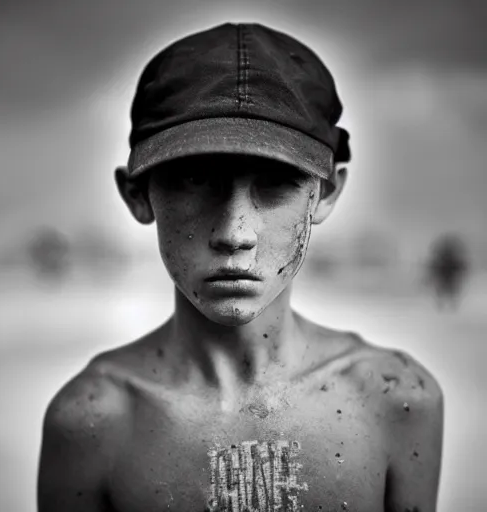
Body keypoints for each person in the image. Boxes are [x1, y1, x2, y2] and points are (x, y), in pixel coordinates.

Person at [37, 23, 443, 512]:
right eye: (194, 177)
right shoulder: (92, 422)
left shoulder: (395, 400)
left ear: (326, 193)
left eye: (277, 181)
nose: (235, 233)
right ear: (138, 194)